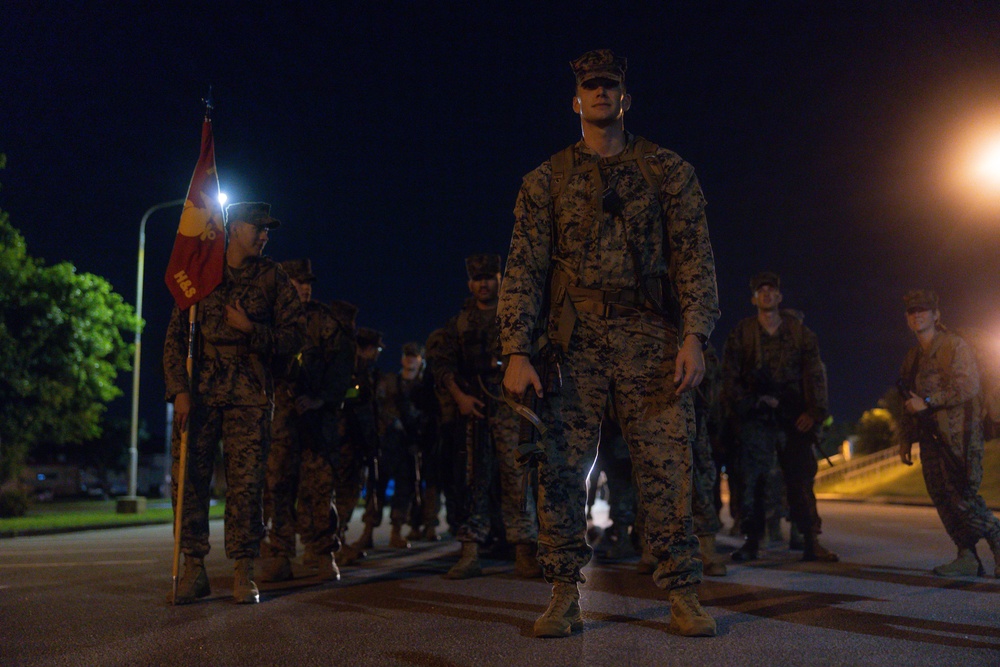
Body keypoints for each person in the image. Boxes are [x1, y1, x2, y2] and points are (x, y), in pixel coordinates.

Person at [498, 49, 720, 638]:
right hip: (573, 340)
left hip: (650, 334)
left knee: (669, 463)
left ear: (626, 98)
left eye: (610, 84)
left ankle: (683, 592)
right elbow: (523, 267)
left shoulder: (668, 171)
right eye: (590, 85)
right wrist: (518, 350)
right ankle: (562, 592)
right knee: (562, 467)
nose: (600, 92)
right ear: (575, 100)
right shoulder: (546, 179)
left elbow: (694, 257)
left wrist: (695, 335)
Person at [164, 201, 304, 604]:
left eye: (267, 230)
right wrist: (180, 392)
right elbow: (175, 341)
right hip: (201, 394)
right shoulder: (201, 272)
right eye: (257, 228)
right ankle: (194, 568)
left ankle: (244, 570)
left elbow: (295, 338)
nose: (264, 236)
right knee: (189, 482)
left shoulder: (273, 278)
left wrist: (252, 329)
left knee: (246, 487)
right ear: (233, 227)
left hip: (249, 396)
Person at [436, 254, 541, 580]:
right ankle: (470, 552)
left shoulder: (513, 319)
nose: (484, 284)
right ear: (470, 283)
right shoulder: (459, 323)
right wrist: (461, 399)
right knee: (472, 480)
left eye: (489, 278)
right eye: (478, 279)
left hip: (509, 407)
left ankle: (525, 551)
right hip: (474, 410)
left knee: (517, 478)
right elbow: (443, 366)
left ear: (499, 279)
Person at [721, 271, 837, 564]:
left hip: (794, 419)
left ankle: (810, 539)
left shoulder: (800, 333)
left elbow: (815, 374)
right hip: (757, 421)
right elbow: (730, 376)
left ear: (779, 296)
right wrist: (751, 403)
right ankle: (751, 541)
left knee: (799, 481)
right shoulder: (743, 333)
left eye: (772, 289)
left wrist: (814, 413)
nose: (767, 294)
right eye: (761, 290)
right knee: (754, 482)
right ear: (754, 298)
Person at [259, 258, 351, 584]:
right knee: (279, 486)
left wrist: (320, 399)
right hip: (280, 421)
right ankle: (281, 554)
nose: (305, 287)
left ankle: (324, 553)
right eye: (298, 282)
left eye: (308, 282)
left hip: (316, 421)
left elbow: (342, 370)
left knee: (318, 486)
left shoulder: (324, 323)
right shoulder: (269, 321)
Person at [897, 289, 1000, 577]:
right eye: (912, 311)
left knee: (962, 497)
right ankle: (966, 555)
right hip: (930, 440)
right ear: (907, 319)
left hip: (961, 436)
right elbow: (906, 401)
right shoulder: (912, 358)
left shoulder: (954, 345)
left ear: (936, 315)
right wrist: (905, 439)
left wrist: (929, 402)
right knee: (941, 497)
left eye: (923, 310)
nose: (917, 315)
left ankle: (997, 536)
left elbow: (969, 386)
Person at [337, 327, 384, 565]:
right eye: (375, 349)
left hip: (361, 442)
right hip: (346, 442)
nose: (376, 354)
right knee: (344, 493)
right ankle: (333, 544)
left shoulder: (367, 372)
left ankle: (338, 541)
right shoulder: (347, 370)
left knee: (353, 491)